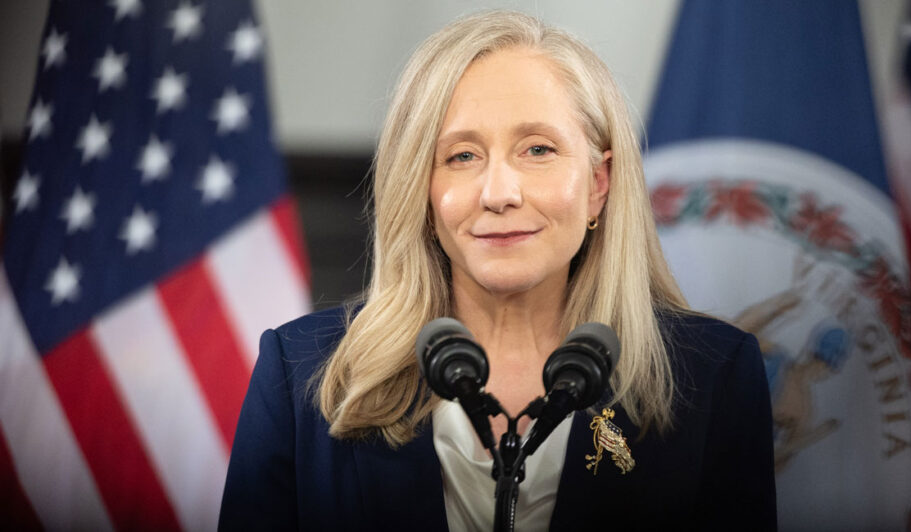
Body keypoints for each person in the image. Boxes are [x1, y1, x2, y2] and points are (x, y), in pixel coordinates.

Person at [219, 10, 775, 531]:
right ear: (421, 191)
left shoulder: (715, 378)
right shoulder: (300, 374)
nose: (499, 193)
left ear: (598, 185)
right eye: (461, 155)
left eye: (538, 150)